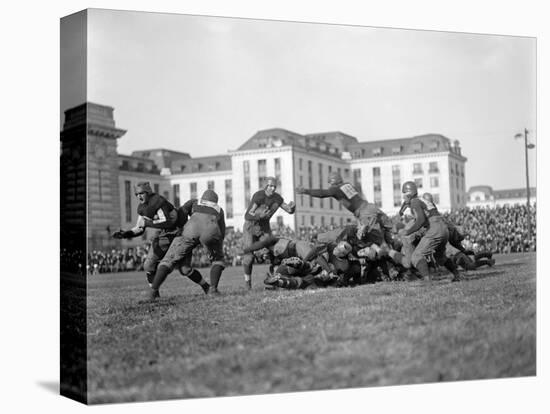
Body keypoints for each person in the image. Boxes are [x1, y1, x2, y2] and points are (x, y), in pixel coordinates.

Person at [144, 189, 226, 300]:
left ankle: (152, 292)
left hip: (189, 230)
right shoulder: (219, 209)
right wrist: (217, 246)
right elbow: (222, 230)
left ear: (202, 198)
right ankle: (213, 290)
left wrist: (181, 229)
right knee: (218, 260)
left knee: (168, 261)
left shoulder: (195, 202)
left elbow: (182, 212)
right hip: (210, 229)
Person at [112, 181, 181, 286]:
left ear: (148, 192)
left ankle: (208, 287)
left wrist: (148, 223)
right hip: (163, 234)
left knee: (184, 269)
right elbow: (140, 228)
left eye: (141, 193)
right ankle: (154, 292)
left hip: (176, 232)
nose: (139, 196)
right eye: (137, 194)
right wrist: (126, 234)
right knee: (148, 266)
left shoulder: (158, 201)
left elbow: (168, 222)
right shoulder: (142, 207)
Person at [296, 172, 393, 244]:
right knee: (388, 232)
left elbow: (322, 194)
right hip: (372, 207)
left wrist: (306, 191)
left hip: (365, 213)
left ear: (333, 182)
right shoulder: (348, 185)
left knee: (373, 240)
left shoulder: (335, 189)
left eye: (330, 183)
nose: (330, 186)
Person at [397, 181, 461, 282]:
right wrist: (401, 211)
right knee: (440, 257)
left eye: (404, 194)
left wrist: (407, 232)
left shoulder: (414, 202)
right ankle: (457, 274)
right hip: (443, 228)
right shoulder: (421, 200)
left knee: (416, 256)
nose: (403, 197)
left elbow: (421, 220)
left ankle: (428, 281)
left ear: (409, 193)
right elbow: (405, 204)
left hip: (434, 228)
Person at [242, 177, 296, 290]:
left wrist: (292, 208)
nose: (272, 188)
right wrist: (259, 215)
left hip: (264, 227)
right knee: (248, 257)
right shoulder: (259, 196)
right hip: (251, 225)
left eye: (274, 186)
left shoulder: (277, 198)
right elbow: (247, 215)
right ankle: (248, 284)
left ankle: (277, 278)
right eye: (270, 186)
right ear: (265, 186)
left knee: (275, 251)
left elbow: (288, 210)